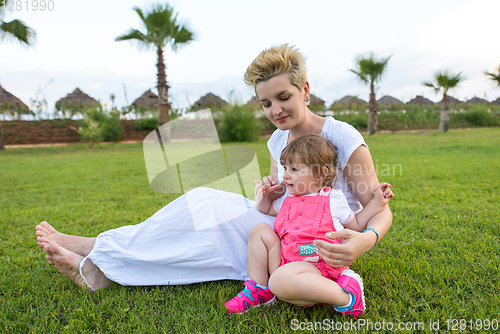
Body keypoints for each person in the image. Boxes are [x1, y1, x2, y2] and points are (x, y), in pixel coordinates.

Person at [35, 44, 392, 291]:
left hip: (321, 239)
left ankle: (98, 265)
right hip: (283, 223)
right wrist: (272, 192)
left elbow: (379, 207)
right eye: (266, 103)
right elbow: (285, 199)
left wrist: (363, 241)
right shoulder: (277, 140)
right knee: (201, 202)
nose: (275, 110)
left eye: (284, 98)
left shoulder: (341, 135)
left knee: (213, 222)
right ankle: (100, 251)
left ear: (305, 90)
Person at [225, 134, 393, 315]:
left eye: (294, 169)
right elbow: (266, 210)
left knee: (279, 281)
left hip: (318, 265)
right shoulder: (287, 199)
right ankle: (260, 289)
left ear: (321, 174)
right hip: (286, 262)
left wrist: (376, 203)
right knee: (259, 231)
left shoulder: (332, 198)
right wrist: (264, 195)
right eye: (285, 168)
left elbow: (356, 224)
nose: (286, 175)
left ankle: (347, 297)